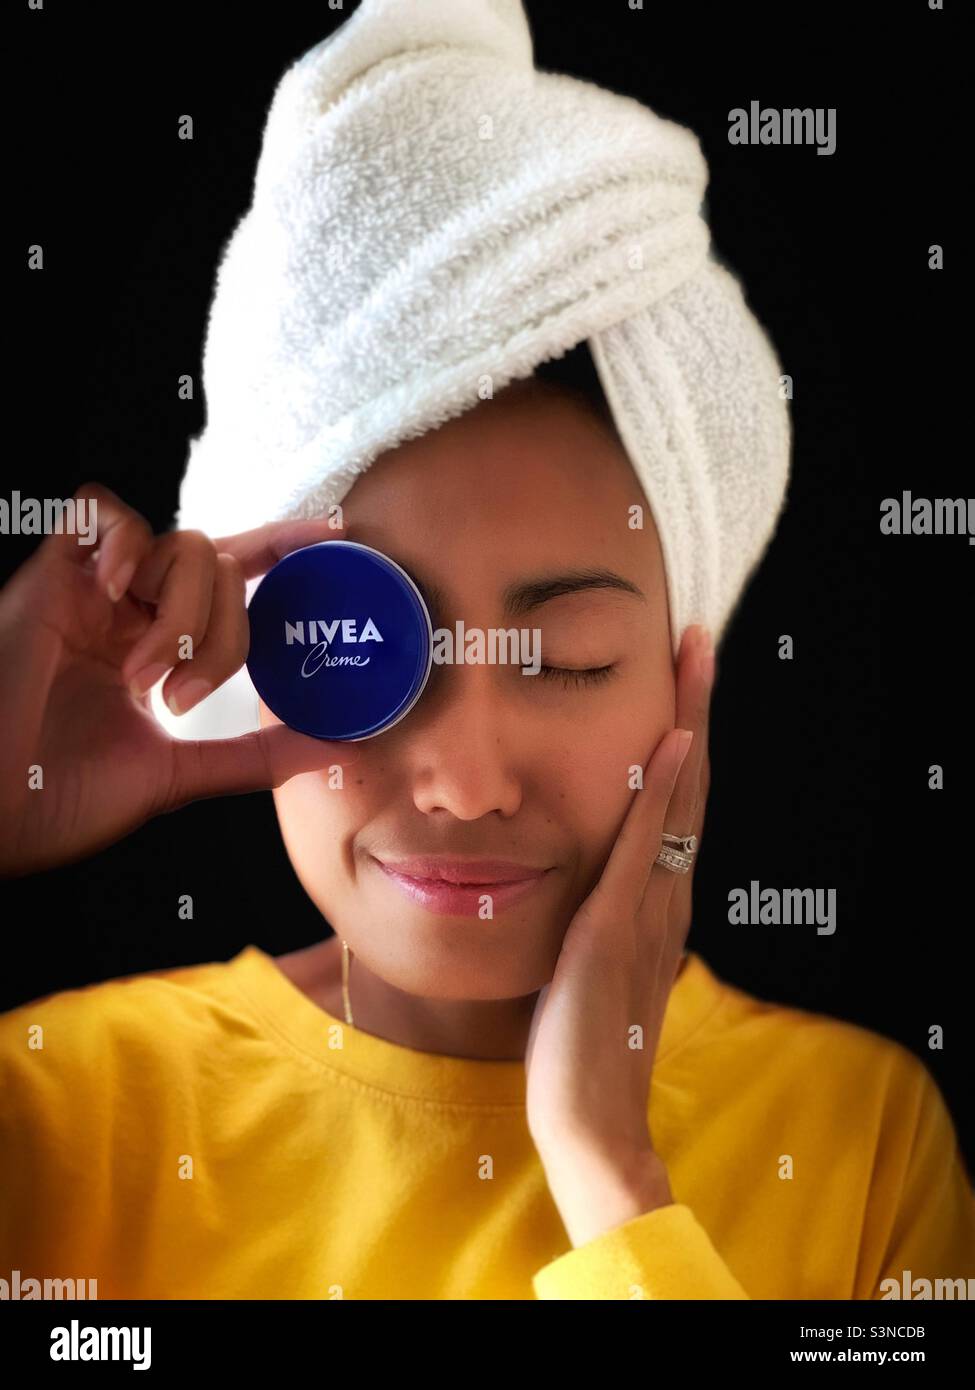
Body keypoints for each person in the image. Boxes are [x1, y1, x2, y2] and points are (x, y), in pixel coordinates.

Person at [2, 0, 973, 1300]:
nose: (465, 780)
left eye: (566, 656)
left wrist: (611, 1174)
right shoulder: (56, 1110)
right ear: (248, 657)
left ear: (693, 669)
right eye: (368, 643)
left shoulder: (864, 1140)